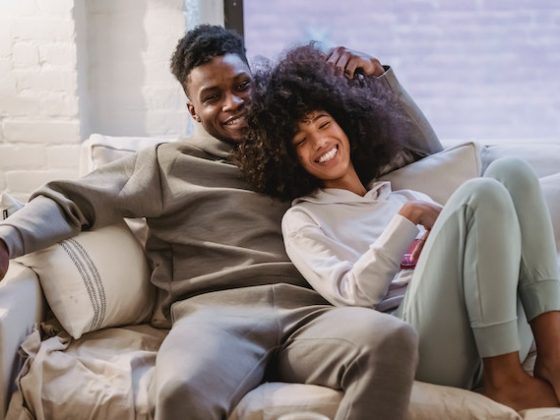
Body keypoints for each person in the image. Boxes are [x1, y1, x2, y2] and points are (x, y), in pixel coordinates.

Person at [0, 25, 442, 420]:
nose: (233, 104)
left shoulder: (297, 150)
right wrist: (8, 240)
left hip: (312, 313)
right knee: (178, 392)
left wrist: (380, 77)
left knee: (390, 339)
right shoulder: (166, 163)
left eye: (242, 86)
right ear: (193, 109)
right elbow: (72, 200)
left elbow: (420, 155)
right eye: (212, 96)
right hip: (215, 318)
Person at [237, 43, 560, 412]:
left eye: (324, 124)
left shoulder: (399, 194)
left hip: (485, 324)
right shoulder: (304, 219)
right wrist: (406, 221)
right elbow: (355, 297)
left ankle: (553, 356)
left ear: (347, 123)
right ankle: (506, 379)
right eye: (301, 141)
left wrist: (426, 222)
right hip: (422, 344)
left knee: (512, 172)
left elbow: (473, 240)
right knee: (482, 190)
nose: (321, 142)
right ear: (286, 157)